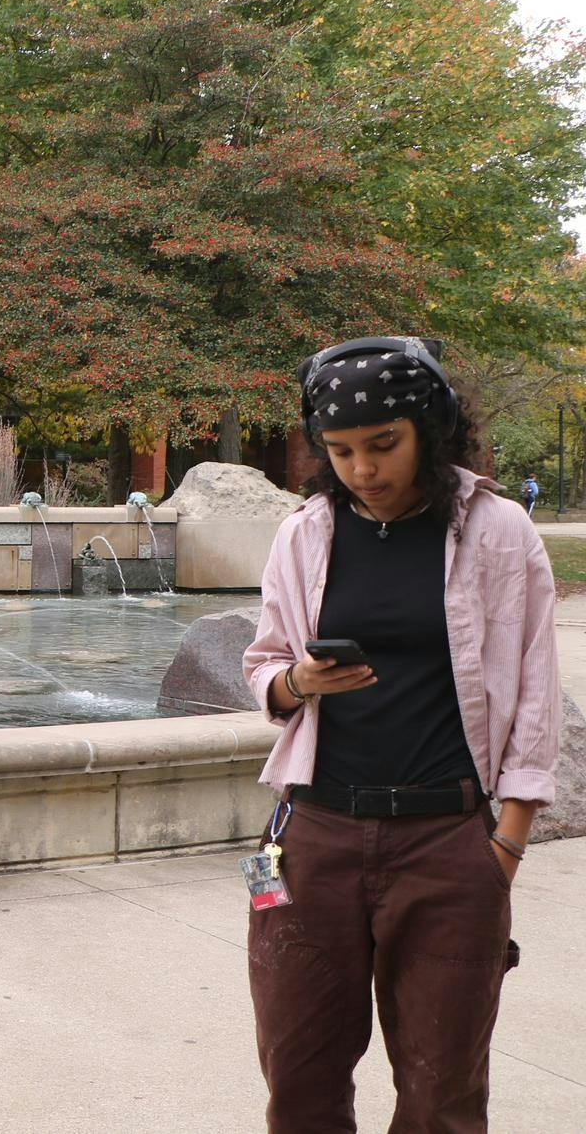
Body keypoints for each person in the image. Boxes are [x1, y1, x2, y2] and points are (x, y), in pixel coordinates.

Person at [242, 336, 561, 1132]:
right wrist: (295, 682)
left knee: (442, 1097)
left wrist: (504, 848)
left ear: (431, 428)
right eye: (342, 450)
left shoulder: (500, 532)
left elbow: (535, 697)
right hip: (305, 837)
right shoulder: (304, 533)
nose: (363, 469)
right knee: (299, 1080)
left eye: (383, 445)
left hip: (447, 843)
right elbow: (264, 662)